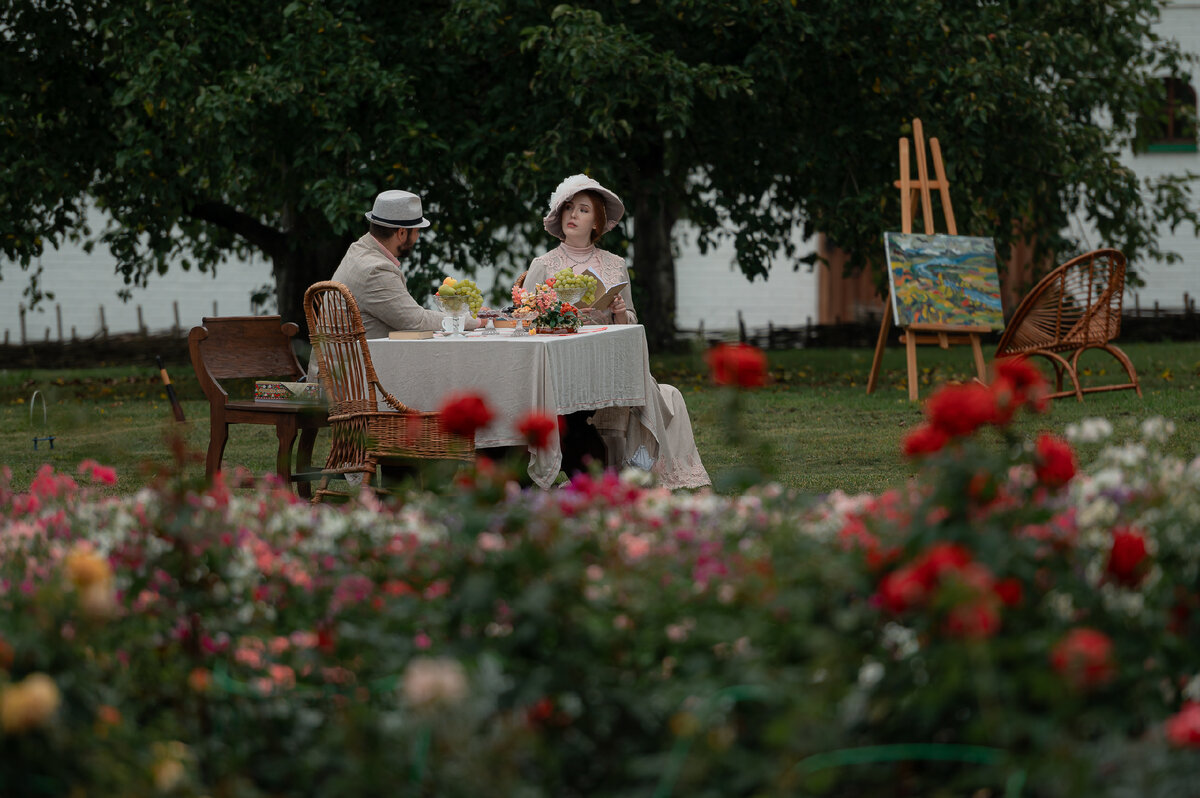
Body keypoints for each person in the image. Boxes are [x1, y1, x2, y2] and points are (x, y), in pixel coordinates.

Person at [524, 174, 711, 490]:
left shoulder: (615, 264)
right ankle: (600, 470)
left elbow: (632, 323)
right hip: (563, 367)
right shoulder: (543, 264)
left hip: (606, 363)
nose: (573, 215)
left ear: (597, 221)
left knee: (662, 392)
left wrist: (622, 313)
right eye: (568, 207)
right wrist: (562, 315)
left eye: (583, 210)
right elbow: (525, 319)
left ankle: (630, 468)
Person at [329, 189, 476, 339]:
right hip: (359, 362)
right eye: (417, 231)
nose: (418, 238)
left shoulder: (358, 250)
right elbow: (416, 321)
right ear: (401, 233)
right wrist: (474, 321)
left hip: (341, 360)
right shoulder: (376, 270)